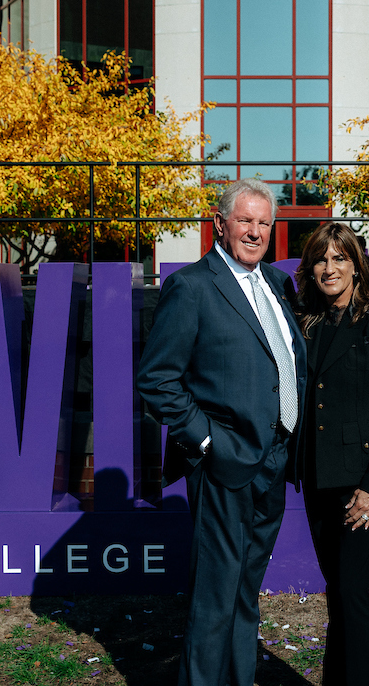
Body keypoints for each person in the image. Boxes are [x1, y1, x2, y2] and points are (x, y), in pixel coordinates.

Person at [136, 178, 307, 686]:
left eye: (263, 222)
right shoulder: (192, 286)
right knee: (215, 596)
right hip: (223, 463)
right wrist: (209, 441)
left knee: (245, 590)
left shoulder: (279, 283)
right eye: (245, 220)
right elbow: (156, 379)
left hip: (275, 459)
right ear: (220, 223)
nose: (254, 231)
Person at [292, 223, 369, 686]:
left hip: (360, 485)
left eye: (340, 258)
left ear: (358, 267)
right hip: (318, 479)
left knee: (351, 591)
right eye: (321, 259)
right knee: (337, 594)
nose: (330, 268)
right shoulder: (306, 324)